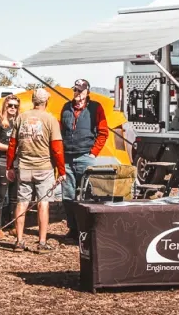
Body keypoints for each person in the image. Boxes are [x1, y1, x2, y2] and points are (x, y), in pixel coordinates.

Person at [7, 88, 65, 252]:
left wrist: (9, 166)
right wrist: (61, 170)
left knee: (22, 203)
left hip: (24, 167)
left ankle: (18, 241)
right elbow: (57, 148)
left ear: (33, 100)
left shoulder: (21, 117)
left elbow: (12, 145)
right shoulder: (50, 119)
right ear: (46, 101)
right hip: (44, 168)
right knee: (43, 204)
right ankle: (41, 242)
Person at [58, 79, 110, 238]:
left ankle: (88, 228)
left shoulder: (96, 108)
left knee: (89, 194)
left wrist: (93, 153)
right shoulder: (66, 108)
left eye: (80, 91)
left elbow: (103, 132)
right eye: (75, 91)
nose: (78, 94)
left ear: (87, 92)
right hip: (67, 158)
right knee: (67, 195)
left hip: (86, 156)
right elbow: (60, 132)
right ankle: (73, 228)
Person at [0, 94, 20, 226]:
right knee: (0, 196)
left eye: (15, 106)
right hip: (0, 161)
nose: (12, 108)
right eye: (10, 105)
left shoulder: (19, 122)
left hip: (16, 162)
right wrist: (10, 148)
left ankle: (12, 225)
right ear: (5, 106)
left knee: (14, 197)